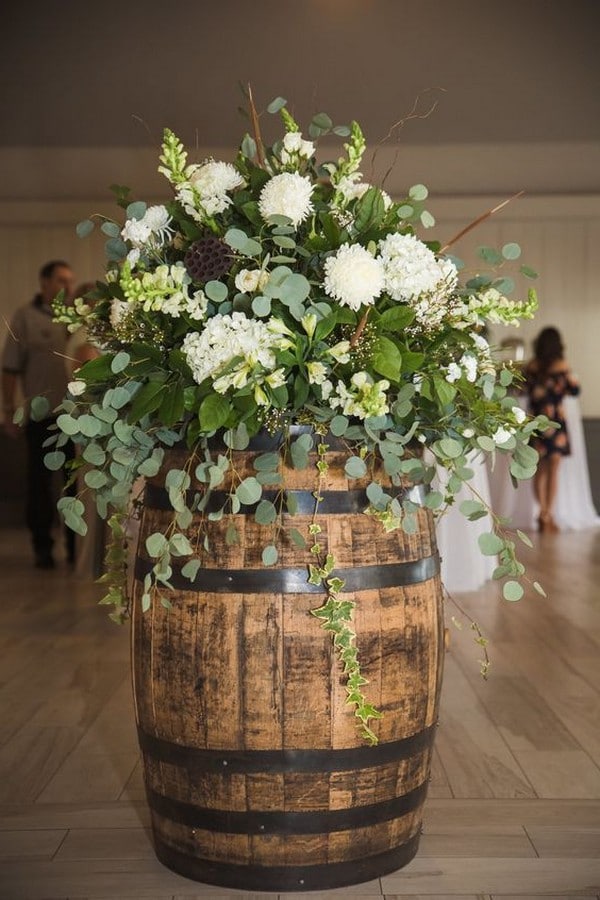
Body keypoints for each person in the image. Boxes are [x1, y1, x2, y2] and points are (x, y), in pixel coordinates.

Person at [2, 260, 76, 568]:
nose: (67, 287)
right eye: (61, 280)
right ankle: (42, 547)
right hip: (40, 417)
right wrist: (9, 411)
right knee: (40, 484)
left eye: (69, 281)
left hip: (75, 417)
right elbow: (10, 369)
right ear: (44, 282)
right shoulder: (24, 317)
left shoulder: (75, 317)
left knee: (74, 484)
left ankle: (76, 548)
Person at [524, 326, 581, 533]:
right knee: (553, 470)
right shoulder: (562, 366)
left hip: (537, 423)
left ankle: (543, 513)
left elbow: (522, 390)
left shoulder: (532, 366)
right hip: (557, 424)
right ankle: (548, 513)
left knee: (540, 470)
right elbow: (575, 390)